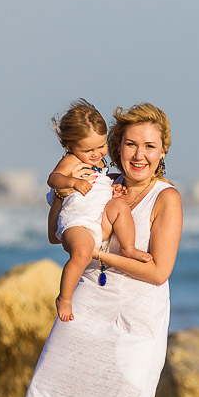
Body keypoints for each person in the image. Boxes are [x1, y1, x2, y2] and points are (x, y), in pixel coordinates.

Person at [0, 103, 184, 397]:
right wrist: (61, 196)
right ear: (115, 146)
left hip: (135, 325)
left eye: (149, 146)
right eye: (129, 144)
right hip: (84, 310)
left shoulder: (168, 198)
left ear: (163, 151)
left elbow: (159, 271)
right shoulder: (100, 181)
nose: (139, 155)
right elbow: (57, 235)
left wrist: (105, 253)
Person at [46, 100, 148, 322]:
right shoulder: (71, 161)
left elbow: (97, 187)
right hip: (77, 222)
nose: (96, 154)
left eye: (100, 146)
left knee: (120, 206)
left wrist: (111, 189)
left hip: (97, 220)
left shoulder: (101, 164)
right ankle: (64, 297)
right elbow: (53, 179)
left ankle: (128, 248)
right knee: (82, 253)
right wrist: (71, 182)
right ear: (70, 147)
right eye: (88, 150)